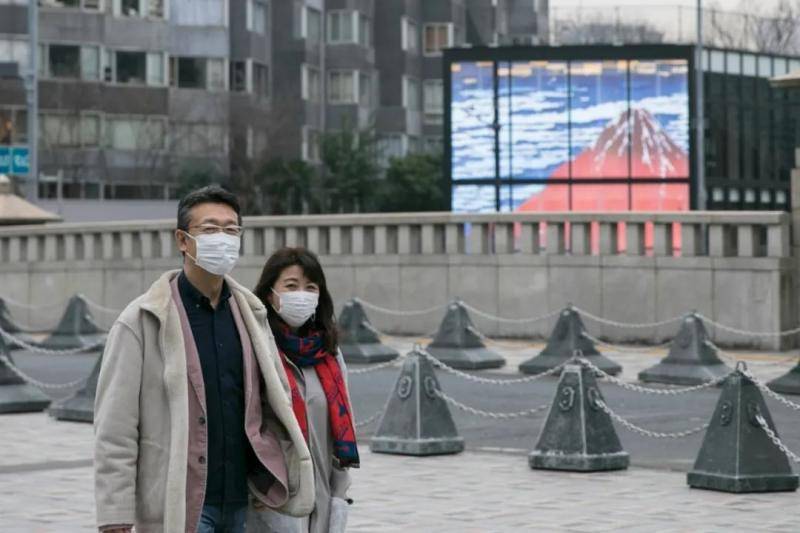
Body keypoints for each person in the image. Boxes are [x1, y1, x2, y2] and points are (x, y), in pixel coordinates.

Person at [94, 186, 314, 533]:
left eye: (231, 230)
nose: (223, 239)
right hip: (178, 502)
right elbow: (115, 428)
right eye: (210, 229)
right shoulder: (142, 320)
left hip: (242, 500)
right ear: (183, 240)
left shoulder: (249, 314)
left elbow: (269, 402)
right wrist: (115, 514)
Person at [250, 247, 359, 533]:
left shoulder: (329, 354)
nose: (302, 294)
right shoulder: (255, 348)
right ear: (270, 292)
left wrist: (339, 491)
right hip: (273, 500)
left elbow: (340, 431)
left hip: (323, 494)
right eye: (291, 286)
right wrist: (258, 489)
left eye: (310, 287)